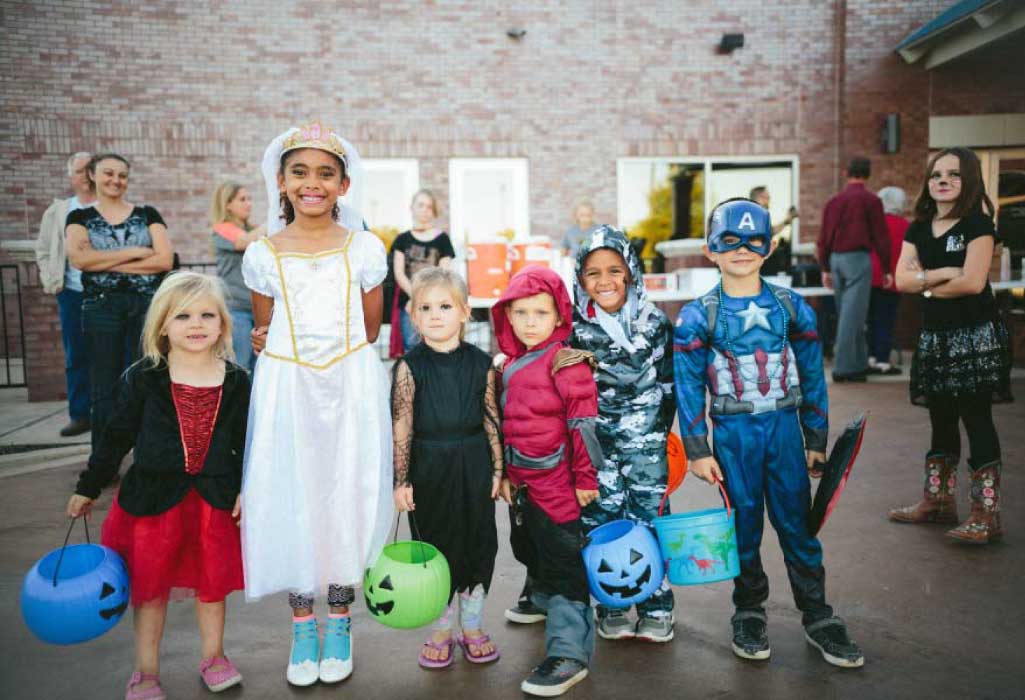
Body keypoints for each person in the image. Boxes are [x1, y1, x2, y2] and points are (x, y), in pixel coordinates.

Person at [674, 198, 864, 668]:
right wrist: (697, 448)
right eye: (729, 241)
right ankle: (749, 609)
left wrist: (815, 439)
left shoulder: (790, 307)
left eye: (753, 240)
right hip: (734, 434)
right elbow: (688, 383)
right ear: (709, 250)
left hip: (782, 430)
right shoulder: (698, 316)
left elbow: (813, 377)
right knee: (742, 527)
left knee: (797, 525)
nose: (741, 249)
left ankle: (817, 614)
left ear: (771, 246)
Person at [240, 122, 393, 686]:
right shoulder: (262, 254)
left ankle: (339, 618)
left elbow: (371, 325)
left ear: (344, 184)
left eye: (325, 173)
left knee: (344, 492)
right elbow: (265, 326)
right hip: (289, 390)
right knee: (295, 494)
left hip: (349, 387)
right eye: (299, 172)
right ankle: (303, 626)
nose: (312, 183)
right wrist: (269, 343)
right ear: (281, 181)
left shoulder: (365, 249)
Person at [66, 271, 250, 700]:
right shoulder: (144, 377)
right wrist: (88, 486)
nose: (197, 324)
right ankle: (145, 671)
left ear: (223, 324)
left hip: (214, 502)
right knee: (150, 591)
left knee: (211, 585)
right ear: (162, 324)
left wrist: (246, 488)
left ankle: (214, 656)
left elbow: (247, 444)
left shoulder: (238, 380)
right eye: (183, 316)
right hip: (153, 504)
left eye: (207, 315)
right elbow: (116, 436)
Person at [888, 147, 1012, 544]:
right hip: (936, 337)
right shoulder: (919, 228)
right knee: (940, 418)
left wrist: (924, 284)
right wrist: (942, 274)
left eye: (953, 174)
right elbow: (902, 281)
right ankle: (938, 502)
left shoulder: (978, 226)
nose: (942, 180)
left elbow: (973, 283)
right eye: (936, 174)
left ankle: (985, 514)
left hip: (975, 335)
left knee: (976, 418)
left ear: (970, 180)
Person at [491, 266, 601, 697]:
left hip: (559, 484)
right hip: (523, 485)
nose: (531, 321)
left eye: (541, 312)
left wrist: (585, 478)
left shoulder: (566, 363)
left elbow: (584, 426)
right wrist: (503, 476)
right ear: (508, 316)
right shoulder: (511, 364)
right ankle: (539, 598)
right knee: (528, 546)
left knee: (562, 562)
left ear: (559, 317)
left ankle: (569, 652)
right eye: (521, 312)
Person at [391, 267, 503, 669]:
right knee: (434, 546)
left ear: (463, 312)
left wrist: (498, 470)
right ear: (413, 315)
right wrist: (401, 479)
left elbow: (492, 416)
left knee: (478, 542)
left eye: (444, 305)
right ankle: (440, 629)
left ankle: (471, 626)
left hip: (473, 462)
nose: (435, 314)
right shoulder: (408, 366)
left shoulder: (481, 363)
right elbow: (402, 425)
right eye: (425, 307)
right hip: (428, 465)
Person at [570, 225, 676, 642]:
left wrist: (655, 435)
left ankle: (657, 605)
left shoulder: (654, 323)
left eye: (614, 270)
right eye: (593, 273)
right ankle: (611, 604)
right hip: (596, 451)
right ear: (580, 278)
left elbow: (668, 386)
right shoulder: (575, 328)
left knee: (649, 520)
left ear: (631, 271)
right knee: (602, 519)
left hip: (646, 448)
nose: (605, 281)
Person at [65, 153, 175, 450]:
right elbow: (79, 260)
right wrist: (138, 252)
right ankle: (104, 457)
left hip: (144, 306)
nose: (116, 180)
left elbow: (164, 259)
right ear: (93, 176)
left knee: (145, 378)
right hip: (101, 307)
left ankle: (146, 455)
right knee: (104, 385)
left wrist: (102, 261)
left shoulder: (148, 213)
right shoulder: (79, 217)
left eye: (122, 175)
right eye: (108, 173)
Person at [34, 152, 95, 437]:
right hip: (71, 293)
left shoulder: (107, 206)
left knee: (114, 354)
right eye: (80, 170)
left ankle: (112, 414)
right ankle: (80, 414)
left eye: (90, 169)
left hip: (105, 293)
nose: (86, 175)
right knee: (76, 355)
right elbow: (43, 248)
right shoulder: (60, 210)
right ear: (71, 177)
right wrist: (51, 280)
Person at [816, 157, 892, 382]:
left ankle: (857, 365)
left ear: (845, 172)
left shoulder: (834, 201)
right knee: (853, 315)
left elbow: (824, 236)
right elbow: (881, 236)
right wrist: (887, 268)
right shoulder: (871, 201)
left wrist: (825, 267)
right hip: (858, 258)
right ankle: (843, 368)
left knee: (849, 313)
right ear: (868, 174)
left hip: (836, 259)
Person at [389, 189, 455, 355]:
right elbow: (399, 274)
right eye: (421, 205)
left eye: (429, 207)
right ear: (412, 208)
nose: (425, 210)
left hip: (436, 305)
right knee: (412, 350)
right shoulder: (402, 239)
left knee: (436, 349)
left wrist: (426, 300)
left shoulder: (442, 239)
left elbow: (444, 273)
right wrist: (417, 298)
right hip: (409, 305)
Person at [210, 181, 265, 372]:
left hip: (259, 310)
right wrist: (274, 219)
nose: (248, 203)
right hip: (236, 310)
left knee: (260, 366)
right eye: (242, 199)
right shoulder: (221, 229)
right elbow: (243, 242)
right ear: (227, 204)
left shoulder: (254, 230)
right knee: (239, 366)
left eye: (249, 199)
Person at [866, 187, 909, 375]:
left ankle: (870, 358)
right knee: (886, 320)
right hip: (891, 278)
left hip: (868, 278)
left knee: (870, 320)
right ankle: (883, 362)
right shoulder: (905, 225)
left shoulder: (872, 223)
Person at [749, 186, 798, 277]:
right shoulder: (755, 215)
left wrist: (786, 221)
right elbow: (769, 233)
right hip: (760, 261)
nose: (769, 200)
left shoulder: (758, 214)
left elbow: (770, 231)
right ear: (759, 198)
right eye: (767, 197)